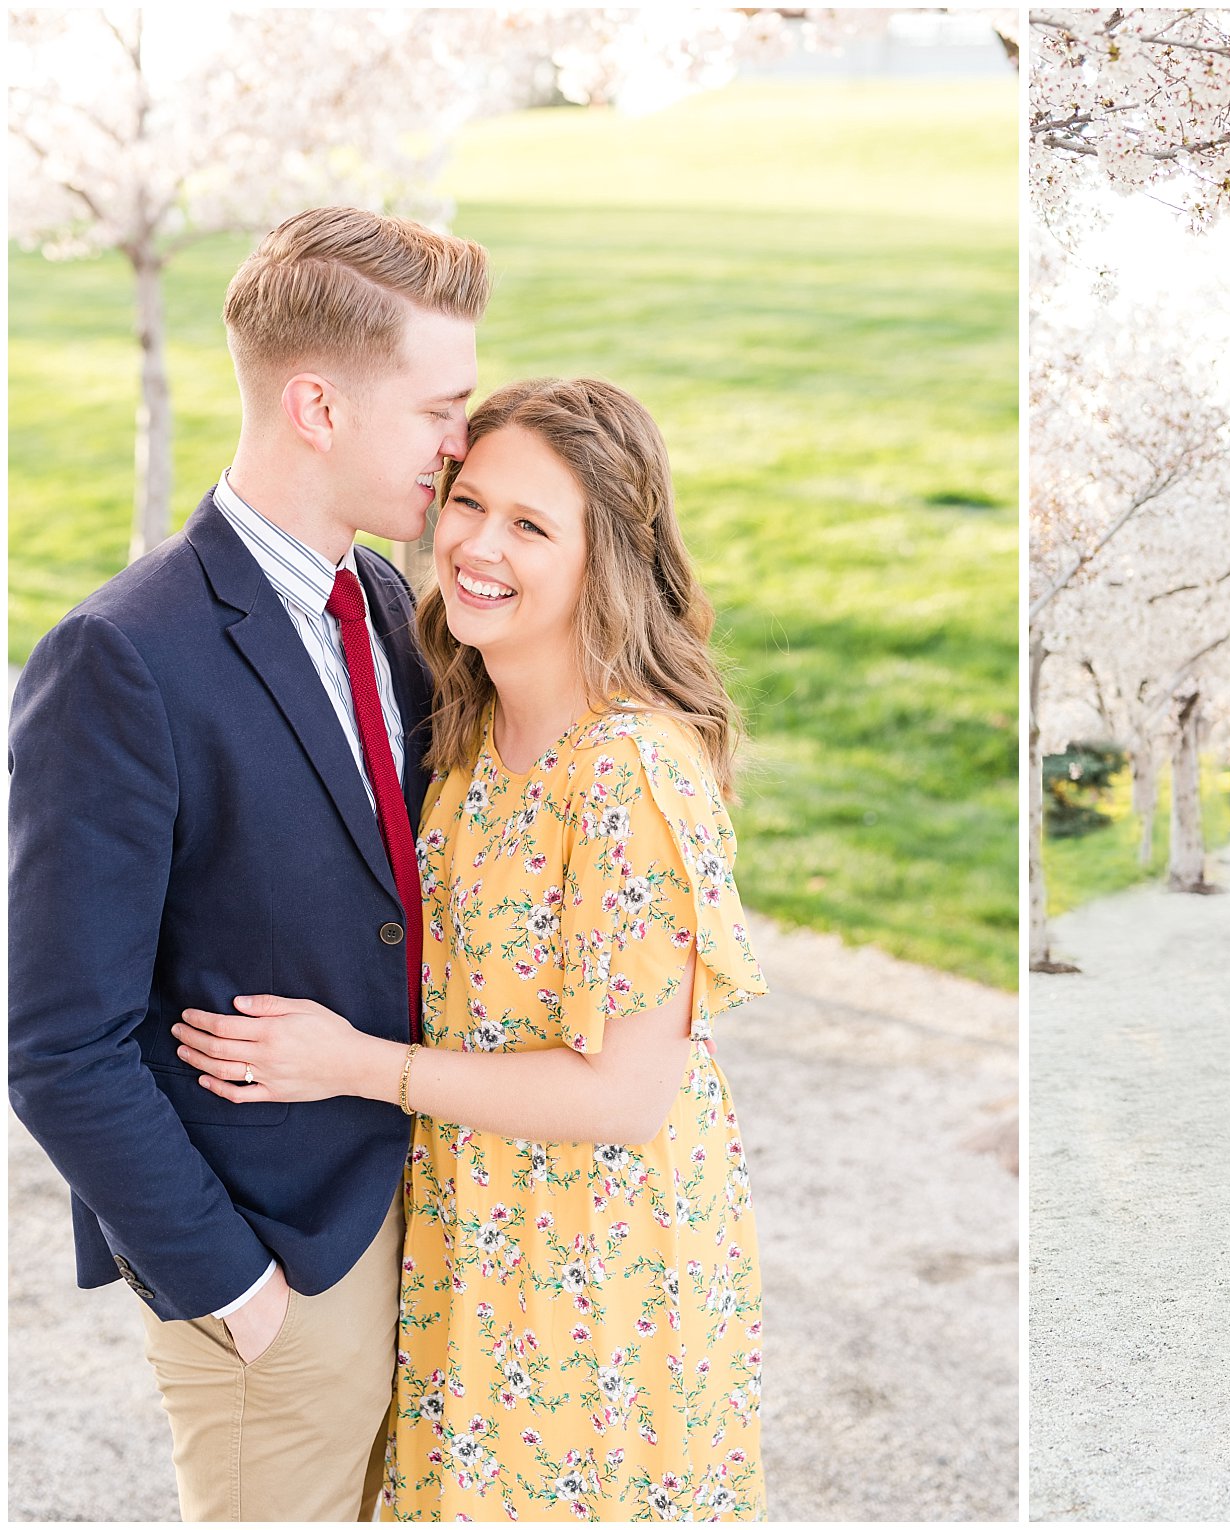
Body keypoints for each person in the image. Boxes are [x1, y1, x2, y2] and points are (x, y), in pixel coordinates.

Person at [174, 377, 771, 1519]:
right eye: (469, 502)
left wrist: (353, 1063)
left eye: (532, 525)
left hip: (600, 1262)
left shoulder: (627, 773)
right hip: (470, 1232)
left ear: (607, 560)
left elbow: (628, 1096)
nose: (478, 546)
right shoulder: (458, 730)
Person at [8, 206, 485, 1520]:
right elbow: (58, 1045)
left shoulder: (382, 601)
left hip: (415, 1236)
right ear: (320, 407)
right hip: (272, 1282)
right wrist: (236, 1289)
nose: (461, 443)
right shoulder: (118, 658)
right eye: (440, 408)